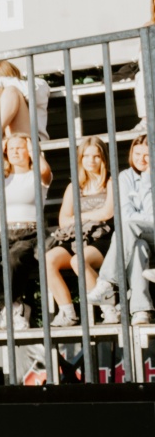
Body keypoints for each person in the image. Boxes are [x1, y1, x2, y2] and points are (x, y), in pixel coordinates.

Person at [0, 133, 53, 330]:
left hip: (31, 232)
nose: (15, 152)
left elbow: (45, 171)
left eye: (20, 147)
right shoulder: (2, 177)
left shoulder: (37, 174)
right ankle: (12, 307)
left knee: (15, 257)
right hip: (5, 234)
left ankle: (12, 310)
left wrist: (33, 149)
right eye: (11, 148)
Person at [43, 137, 113, 325]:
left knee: (78, 260)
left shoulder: (110, 182)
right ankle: (68, 312)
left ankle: (109, 308)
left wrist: (79, 216)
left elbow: (108, 213)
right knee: (48, 259)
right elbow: (63, 220)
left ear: (104, 158)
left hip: (104, 237)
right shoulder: (74, 187)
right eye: (86, 156)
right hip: (77, 237)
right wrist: (92, 215)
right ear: (80, 159)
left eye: (96, 156)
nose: (91, 161)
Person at [90, 133, 153, 325]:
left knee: (129, 227)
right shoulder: (125, 177)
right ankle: (141, 310)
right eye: (137, 154)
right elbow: (125, 215)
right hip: (137, 234)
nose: (141, 159)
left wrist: (148, 177)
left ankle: (107, 282)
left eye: (147, 155)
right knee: (138, 245)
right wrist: (139, 220)